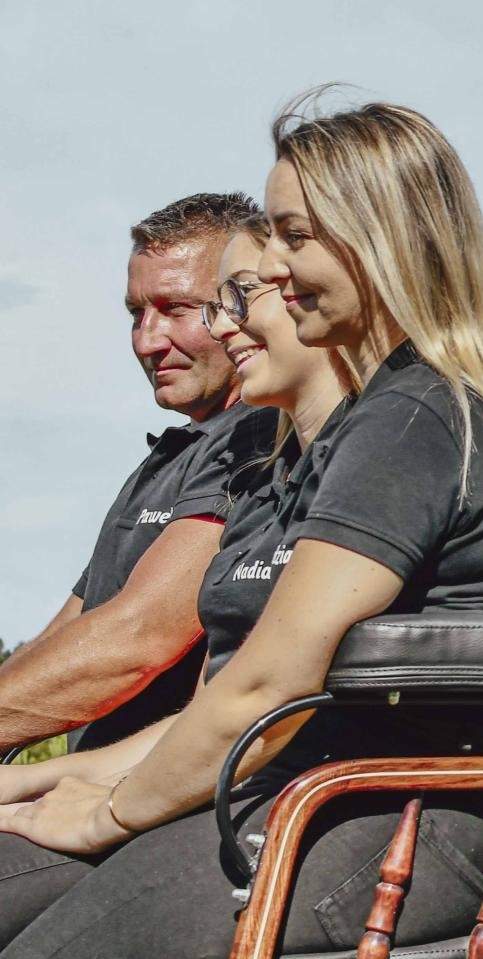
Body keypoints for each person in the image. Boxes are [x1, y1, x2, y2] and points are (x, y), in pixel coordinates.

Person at [0, 95, 483, 959]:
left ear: (377, 240)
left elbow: (269, 685)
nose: (273, 270)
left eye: (295, 238)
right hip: (304, 799)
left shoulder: (415, 418)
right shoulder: (350, 437)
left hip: (394, 823)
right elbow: (228, 701)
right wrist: (49, 786)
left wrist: (101, 812)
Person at [0, 194, 277, 754]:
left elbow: (138, 639)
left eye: (175, 308)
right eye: (136, 313)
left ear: (237, 306)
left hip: (156, 793)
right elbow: (70, 630)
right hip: (84, 788)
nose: (147, 341)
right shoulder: (171, 454)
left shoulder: (257, 437)